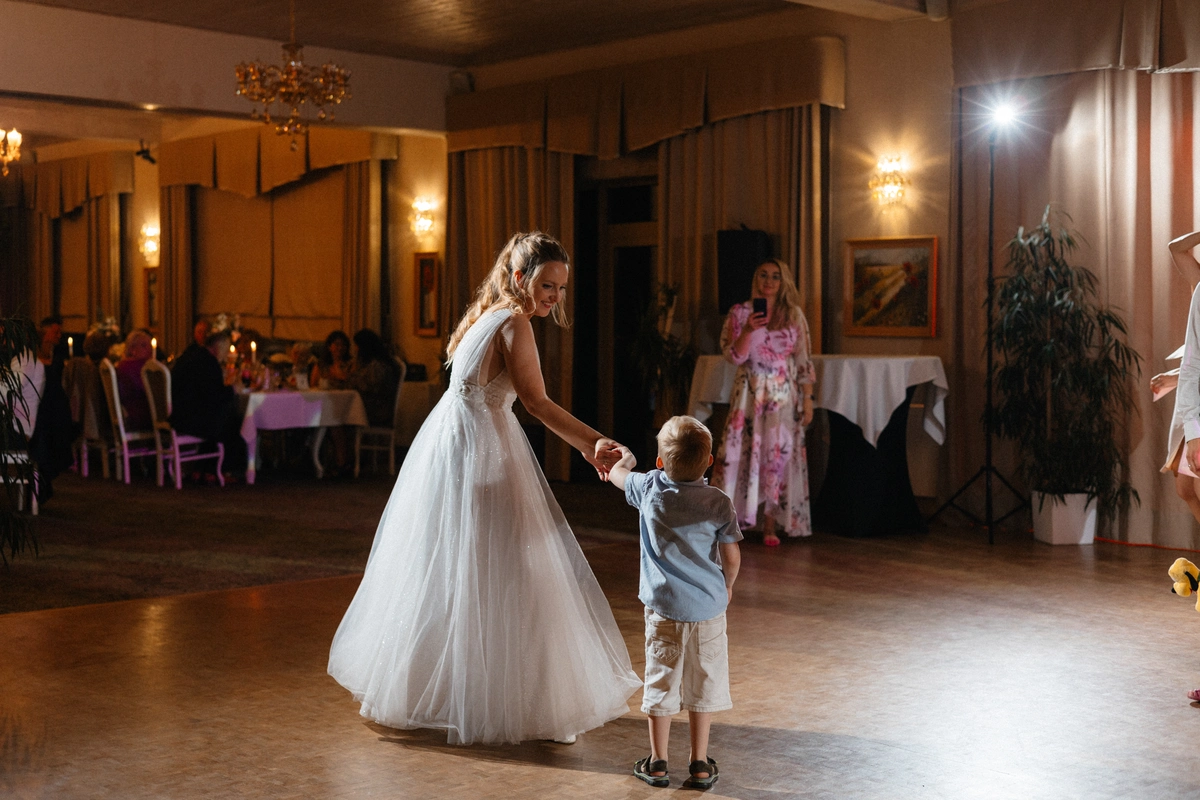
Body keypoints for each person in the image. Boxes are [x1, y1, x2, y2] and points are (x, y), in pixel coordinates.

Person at [328, 231, 640, 745]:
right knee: (510, 567)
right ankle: (512, 699)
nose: (555, 296)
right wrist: (594, 443)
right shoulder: (514, 322)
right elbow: (536, 403)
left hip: (453, 446)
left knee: (458, 566)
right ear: (520, 278)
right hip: (482, 450)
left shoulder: (488, 314)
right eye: (547, 285)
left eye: (561, 287)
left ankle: (443, 690)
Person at [607, 415, 742, 790]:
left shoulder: (649, 487)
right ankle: (699, 764)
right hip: (708, 610)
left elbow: (617, 474)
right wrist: (727, 586)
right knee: (704, 684)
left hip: (664, 611)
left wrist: (625, 459)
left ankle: (657, 763)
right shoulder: (718, 503)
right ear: (709, 461)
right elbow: (731, 556)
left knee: (661, 683)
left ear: (660, 461)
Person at [712, 258, 816, 546]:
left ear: (783, 282)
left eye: (775, 276)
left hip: (782, 396)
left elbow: (803, 360)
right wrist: (747, 330)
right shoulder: (739, 312)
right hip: (749, 393)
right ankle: (735, 521)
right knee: (742, 453)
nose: (768, 281)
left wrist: (807, 400)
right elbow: (734, 357)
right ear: (755, 278)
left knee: (777, 457)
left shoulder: (793, 314)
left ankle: (770, 525)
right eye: (763, 275)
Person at [171, 330, 246, 477]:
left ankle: (201, 468)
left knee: (222, 416)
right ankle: (224, 470)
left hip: (178, 415)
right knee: (236, 421)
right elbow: (215, 396)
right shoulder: (209, 363)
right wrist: (233, 389)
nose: (226, 355)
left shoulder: (188, 356)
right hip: (193, 420)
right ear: (218, 346)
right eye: (225, 349)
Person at [1164, 231, 1200, 530]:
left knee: (1186, 488)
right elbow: (1176, 248)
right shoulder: (1199, 287)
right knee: (1184, 488)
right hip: (1193, 405)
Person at [348, 328, 401, 428]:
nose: (355, 349)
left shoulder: (377, 366)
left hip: (377, 410)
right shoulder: (376, 363)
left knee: (338, 413)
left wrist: (352, 375)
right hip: (373, 406)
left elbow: (369, 387)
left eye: (356, 346)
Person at [115, 330, 154, 432]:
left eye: (149, 345)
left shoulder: (122, 365)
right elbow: (149, 390)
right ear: (132, 349)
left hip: (131, 413)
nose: (149, 349)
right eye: (144, 345)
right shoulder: (136, 367)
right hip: (140, 415)